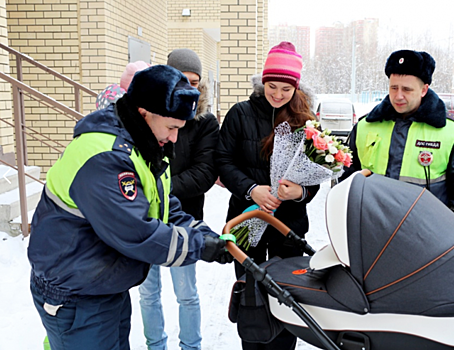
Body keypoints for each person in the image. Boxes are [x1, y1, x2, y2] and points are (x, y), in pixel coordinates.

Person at [28, 65, 233, 350]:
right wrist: (200, 246)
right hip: (74, 291)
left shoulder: (144, 145)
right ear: (143, 112)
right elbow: (138, 233)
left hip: (103, 282)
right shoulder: (105, 157)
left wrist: (206, 233)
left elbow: (164, 206)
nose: (174, 138)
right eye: (172, 127)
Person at [216, 41, 319, 350]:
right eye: (272, 86)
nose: (277, 94)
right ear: (262, 82)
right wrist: (252, 189)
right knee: (252, 299)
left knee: (287, 301)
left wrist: (299, 191)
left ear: (296, 88)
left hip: (288, 229)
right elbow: (223, 161)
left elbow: (317, 173)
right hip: (246, 222)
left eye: (285, 89)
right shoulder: (240, 114)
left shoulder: (306, 121)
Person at [342, 49, 454, 229]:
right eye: (394, 88)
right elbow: (346, 180)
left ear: (424, 90)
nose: (398, 96)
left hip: (426, 236)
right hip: (372, 232)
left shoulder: (452, 131)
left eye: (407, 89)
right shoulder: (364, 126)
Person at [139, 49, 219, 350]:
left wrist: (158, 190)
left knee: (186, 294)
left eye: (195, 82)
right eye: (183, 79)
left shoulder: (204, 122)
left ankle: (190, 346)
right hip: (145, 219)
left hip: (183, 219)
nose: (190, 87)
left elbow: (204, 173)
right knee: (148, 293)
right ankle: (155, 345)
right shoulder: (150, 116)